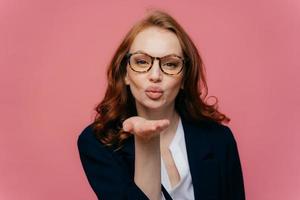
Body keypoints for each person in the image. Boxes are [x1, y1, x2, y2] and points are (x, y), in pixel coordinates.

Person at [77, 10, 245, 200]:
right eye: (141, 62)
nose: (155, 75)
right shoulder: (97, 143)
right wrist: (145, 142)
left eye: (170, 64)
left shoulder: (219, 140)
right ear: (125, 74)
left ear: (184, 78)